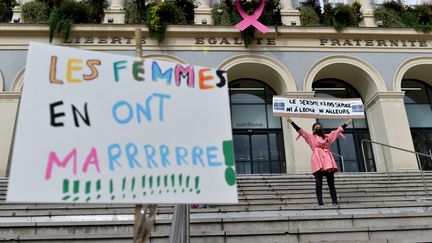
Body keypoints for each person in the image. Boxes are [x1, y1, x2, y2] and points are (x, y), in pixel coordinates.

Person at [287, 117, 352, 206]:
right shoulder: (310, 137)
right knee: (318, 182)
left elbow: (337, 132)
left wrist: (347, 123)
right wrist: (292, 122)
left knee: (331, 183)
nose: (318, 128)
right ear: (313, 130)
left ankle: (334, 201)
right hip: (317, 161)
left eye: (320, 127)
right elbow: (301, 131)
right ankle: (320, 202)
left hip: (328, 161)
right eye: (316, 127)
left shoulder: (328, 137)